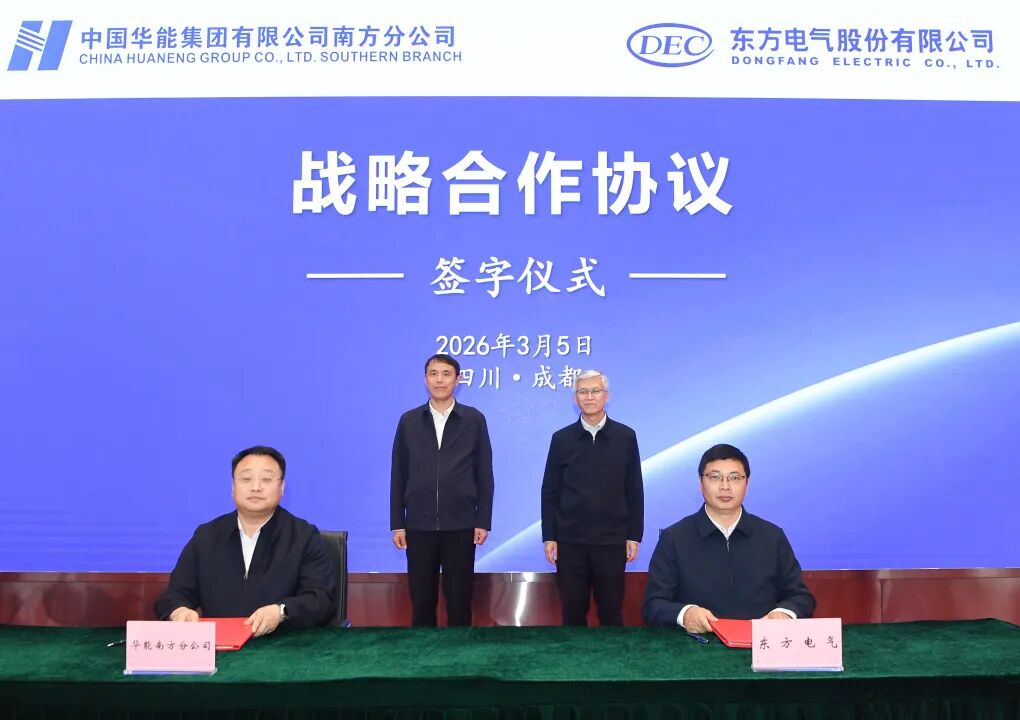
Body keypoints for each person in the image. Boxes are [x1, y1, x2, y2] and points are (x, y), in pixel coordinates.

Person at [154, 446, 335, 635]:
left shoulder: (303, 536)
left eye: (266, 479)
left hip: (283, 645)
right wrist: (179, 611)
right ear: (233, 487)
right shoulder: (206, 536)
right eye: (246, 479)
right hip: (220, 646)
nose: (255, 487)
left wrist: (281, 611)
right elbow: (173, 596)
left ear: (282, 487)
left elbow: (321, 599)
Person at [642, 443, 815, 630]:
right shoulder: (674, 538)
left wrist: (783, 613)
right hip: (697, 642)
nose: (725, 487)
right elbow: (653, 605)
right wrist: (686, 614)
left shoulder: (772, 536)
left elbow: (800, 597)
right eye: (715, 477)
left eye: (734, 478)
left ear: (747, 484)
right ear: (700, 483)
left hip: (759, 641)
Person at [390, 353, 495, 626]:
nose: (440, 380)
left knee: (459, 601)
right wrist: (398, 523)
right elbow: (398, 474)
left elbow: (484, 474)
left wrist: (482, 519)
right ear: (425, 379)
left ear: (457, 380)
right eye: (433, 373)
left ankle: (460, 651)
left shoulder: (473, 419)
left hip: (461, 524)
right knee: (422, 601)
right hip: (419, 525)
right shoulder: (409, 420)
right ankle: (423, 652)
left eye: (446, 374)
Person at [541, 370, 644, 625]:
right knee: (573, 611)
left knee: (611, 612)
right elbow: (550, 490)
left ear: (606, 396)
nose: (589, 397)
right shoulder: (561, 439)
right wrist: (550, 536)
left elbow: (634, 488)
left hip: (612, 539)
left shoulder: (625, 436)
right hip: (570, 540)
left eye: (595, 391)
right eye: (583, 392)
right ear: (575, 398)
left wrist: (634, 535)